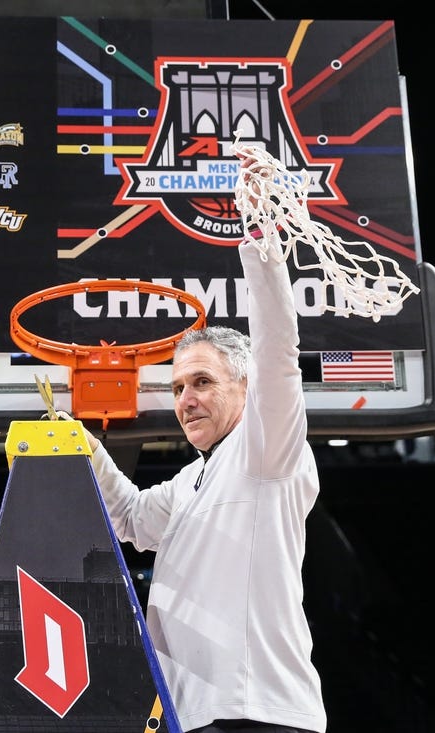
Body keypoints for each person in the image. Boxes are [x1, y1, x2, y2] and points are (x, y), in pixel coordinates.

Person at [71, 149, 327, 733]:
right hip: (195, 714)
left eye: (203, 382)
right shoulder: (194, 479)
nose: (186, 398)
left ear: (246, 387)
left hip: (257, 713)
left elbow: (277, 348)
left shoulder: (268, 452)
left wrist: (259, 232)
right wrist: (86, 445)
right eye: (179, 386)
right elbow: (133, 520)